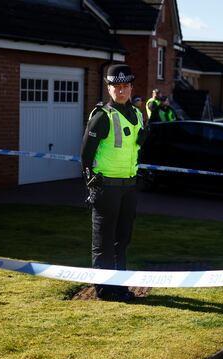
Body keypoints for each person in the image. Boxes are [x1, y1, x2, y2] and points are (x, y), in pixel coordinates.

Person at [80, 64, 147, 301]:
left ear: (131, 87)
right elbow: (86, 153)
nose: (121, 91)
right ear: (109, 88)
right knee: (104, 241)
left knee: (123, 239)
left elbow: (135, 148)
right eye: (116, 86)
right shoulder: (102, 116)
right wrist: (90, 181)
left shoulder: (137, 114)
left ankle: (120, 286)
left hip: (128, 186)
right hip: (106, 186)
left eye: (125, 86)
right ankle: (106, 290)